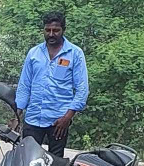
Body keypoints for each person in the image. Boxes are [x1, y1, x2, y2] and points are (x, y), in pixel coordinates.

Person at [13, 11, 89, 156]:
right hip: (33, 118)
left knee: (56, 165)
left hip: (59, 121)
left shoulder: (75, 54)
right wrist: (17, 115)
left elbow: (82, 89)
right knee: (27, 160)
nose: (51, 34)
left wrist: (67, 117)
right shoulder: (34, 53)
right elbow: (24, 85)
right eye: (48, 30)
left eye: (56, 30)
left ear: (63, 30)